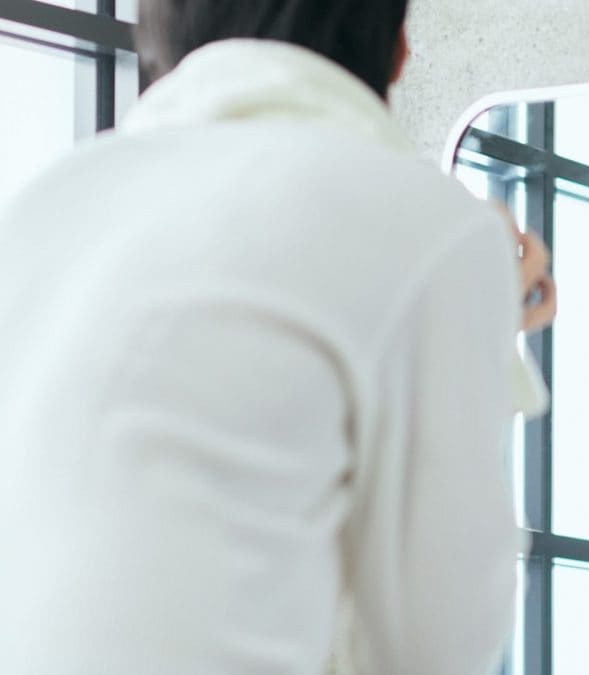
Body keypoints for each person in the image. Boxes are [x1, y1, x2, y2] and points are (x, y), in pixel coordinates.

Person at [0, 1, 554, 674]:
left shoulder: (41, 206)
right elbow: (435, 645)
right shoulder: (421, 221)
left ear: (160, 35)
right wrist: (479, 323)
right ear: (400, 50)